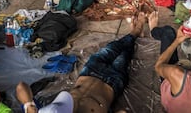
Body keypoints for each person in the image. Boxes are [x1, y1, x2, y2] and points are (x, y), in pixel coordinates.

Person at [15, 12, 147, 113]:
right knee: (125, 54)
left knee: (113, 47)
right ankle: (135, 32)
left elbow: (21, 87)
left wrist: (29, 105)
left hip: (90, 71)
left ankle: (135, 31)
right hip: (112, 81)